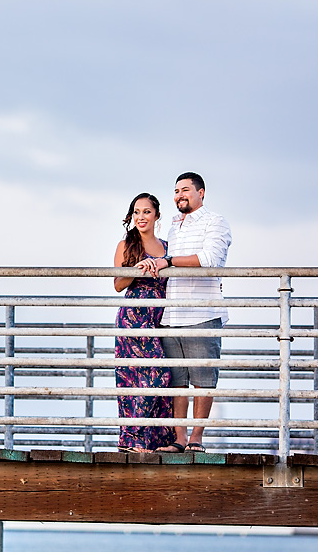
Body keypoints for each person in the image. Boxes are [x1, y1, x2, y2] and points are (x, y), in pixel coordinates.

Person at [136, 172, 232, 453]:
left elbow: (209, 259)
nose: (180, 195)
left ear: (201, 193)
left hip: (202, 312)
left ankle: (196, 440)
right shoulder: (174, 227)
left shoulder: (216, 222)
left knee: (203, 380)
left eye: (186, 190)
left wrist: (166, 260)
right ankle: (179, 439)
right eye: (176, 191)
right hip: (172, 314)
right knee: (177, 380)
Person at [113, 192, 177, 453]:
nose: (141, 217)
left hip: (162, 318)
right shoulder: (126, 245)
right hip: (134, 319)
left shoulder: (168, 247)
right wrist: (137, 269)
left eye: (147, 212)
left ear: (157, 216)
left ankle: (156, 442)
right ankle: (131, 440)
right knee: (143, 376)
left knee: (166, 378)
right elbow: (118, 285)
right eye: (137, 212)